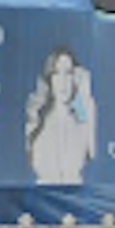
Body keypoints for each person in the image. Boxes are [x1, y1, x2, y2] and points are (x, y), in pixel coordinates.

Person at [24, 46, 95, 185]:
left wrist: (85, 95)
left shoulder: (82, 117)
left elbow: (92, 151)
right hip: (44, 196)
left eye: (68, 73)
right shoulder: (37, 118)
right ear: (49, 78)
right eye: (56, 73)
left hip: (75, 194)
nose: (63, 81)